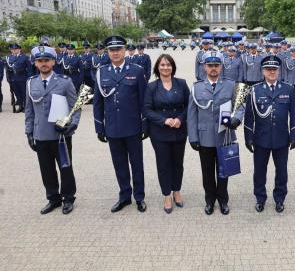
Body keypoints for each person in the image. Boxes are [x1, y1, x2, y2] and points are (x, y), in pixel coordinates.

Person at [93, 35, 149, 213]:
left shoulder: (137, 71)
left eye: (118, 49)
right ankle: (125, 196)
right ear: (107, 52)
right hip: (112, 127)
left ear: (125, 50)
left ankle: (139, 197)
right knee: (119, 164)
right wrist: (99, 127)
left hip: (133, 127)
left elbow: (144, 101)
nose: (115, 53)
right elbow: (98, 103)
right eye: (112, 50)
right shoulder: (101, 72)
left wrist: (145, 124)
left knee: (137, 163)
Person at [25, 46, 80, 214]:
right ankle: (53, 198)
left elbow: (75, 107)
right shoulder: (31, 83)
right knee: (46, 169)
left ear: (53, 62)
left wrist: (71, 125)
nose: (44, 64)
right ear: (35, 63)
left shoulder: (64, 81)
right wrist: (29, 132)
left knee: (65, 167)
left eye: (47, 60)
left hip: (61, 135)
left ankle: (68, 198)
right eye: (40, 61)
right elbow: (29, 110)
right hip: (41, 134)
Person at [187, 51, 244, 215]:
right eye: (210, 65)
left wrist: (237, 119)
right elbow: (192, 115)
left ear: (221, 67)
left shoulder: (230, 84)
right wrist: (193, 137)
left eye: (216, 65)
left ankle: (223, 200)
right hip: (204, 137)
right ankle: (210, 200)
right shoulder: (196, 87)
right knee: (207, 172)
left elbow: (240, 106)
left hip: (224, 135)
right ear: (204, 67)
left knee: (224, 171)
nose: (213, 68)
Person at [244, 55, 295, 213]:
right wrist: (248, 138)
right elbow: (249, 116)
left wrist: (294, 135)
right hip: (261, 139)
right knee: (259, 172)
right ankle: (260, 198)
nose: (271, 72)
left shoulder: (288, 89)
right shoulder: (254, 90)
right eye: (268, 69)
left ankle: (280, 199)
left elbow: (294, 114)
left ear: (279, 71)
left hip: (282, 139)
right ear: (262, 71)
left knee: (281, 172)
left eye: (274, 69)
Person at [144, 54, 189, 214]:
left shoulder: (181, 83)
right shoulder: (151, 87)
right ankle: (166, 195)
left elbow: (189, 106)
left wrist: (180, 119)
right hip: (160, 132)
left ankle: (177, 191)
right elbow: (147, 110)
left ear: (173, 67)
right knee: (163, 165)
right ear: (157, 67)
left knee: (178, 163)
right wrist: (165, 121)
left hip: (179, 130)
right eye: (162, 65)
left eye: (168, 65)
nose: (165, 67)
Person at [6, 43, 29, 112]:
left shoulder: (25, 57)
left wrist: (28, 79)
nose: (14, 50)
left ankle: (25, 106)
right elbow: (7, 69)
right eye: (12, 49)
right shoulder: (9, 57)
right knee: (17, 93)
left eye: (15, 49)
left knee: (24, 93)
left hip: (22, 78)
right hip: (13, 78)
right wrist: (8, 78)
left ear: (19, 49)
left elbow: (28, 69)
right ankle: (20, 106)